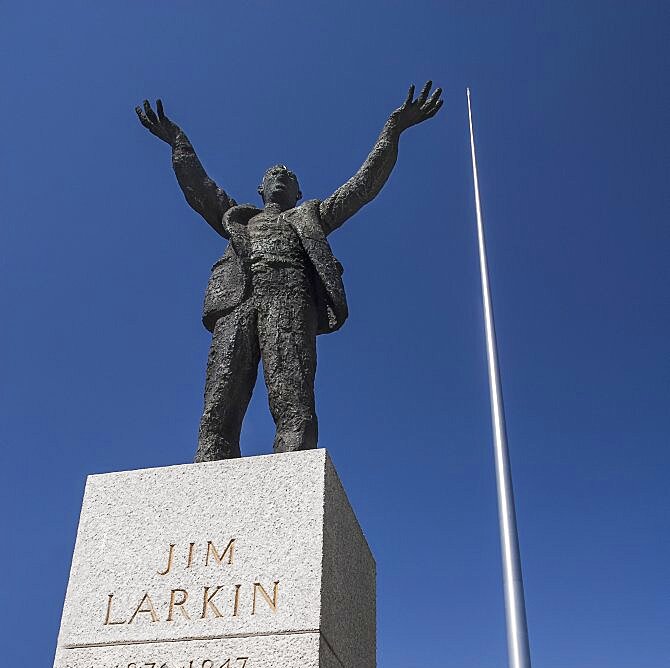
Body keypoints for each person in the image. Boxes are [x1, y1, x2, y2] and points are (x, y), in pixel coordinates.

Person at [136, 83, 443, 461]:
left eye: (290, 177)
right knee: (220, 401)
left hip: (290, 301)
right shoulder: (238, 219)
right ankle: (209, 472)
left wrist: (392, 130)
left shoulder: (311, 215)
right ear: (261, 188)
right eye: (273, 175)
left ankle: (291, 477)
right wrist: (178, 141)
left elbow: (363, 185)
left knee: (292, 396)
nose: (281, 177)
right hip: (237, 303)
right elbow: (200, 187)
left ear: (297, 193)